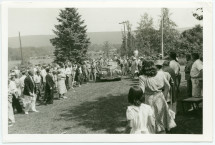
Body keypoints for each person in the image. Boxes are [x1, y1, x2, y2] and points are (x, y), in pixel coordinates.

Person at [139, 61, 176, 133]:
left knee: (152, 117)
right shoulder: (161, 74)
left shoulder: (142, 77)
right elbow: (168, 86)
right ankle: (162, 132)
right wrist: (164, 96)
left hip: (149, 99)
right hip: (160, 97)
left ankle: (155, 133)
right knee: (161, 116)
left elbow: (141, 91)